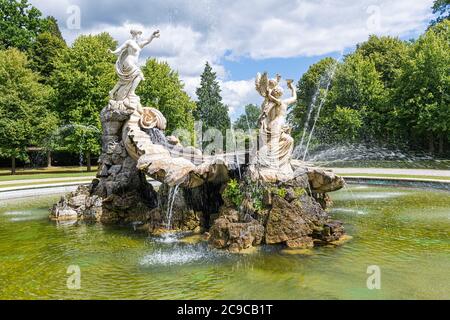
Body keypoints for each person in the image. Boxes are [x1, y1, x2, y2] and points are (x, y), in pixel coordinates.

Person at [109, 29, 160, 103]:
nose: (140, 36)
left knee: (125, 80)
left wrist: (153, 36)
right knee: (139, 74)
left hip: (132, 64)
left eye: (140, 34)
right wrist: (113, 52)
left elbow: (147, 41)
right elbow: (120, 48)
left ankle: (112, 92)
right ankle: (131, 92)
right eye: (139, 34)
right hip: (128, 62)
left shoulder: (139, 45)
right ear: (135, 34)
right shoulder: (129, 42)